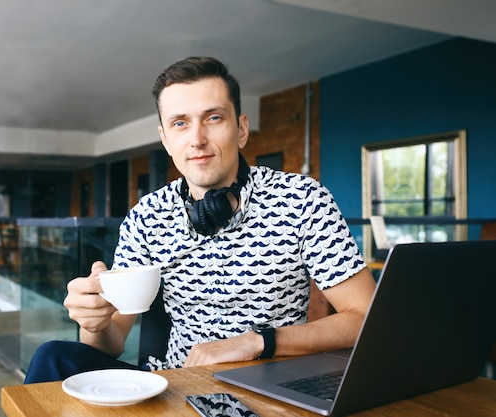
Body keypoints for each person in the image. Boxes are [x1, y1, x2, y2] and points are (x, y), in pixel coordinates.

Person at [24, 56, 376, 383]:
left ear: (241, 129)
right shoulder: (146, 217)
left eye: (214, 117)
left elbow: (365, 318)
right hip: (174, 387)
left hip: (267, 387)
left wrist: (257, 342)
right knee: (52, 357)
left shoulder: (302, 199)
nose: (197, 139)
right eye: (180, 123)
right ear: (165, 139)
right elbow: (110, 344)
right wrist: (94, 321)